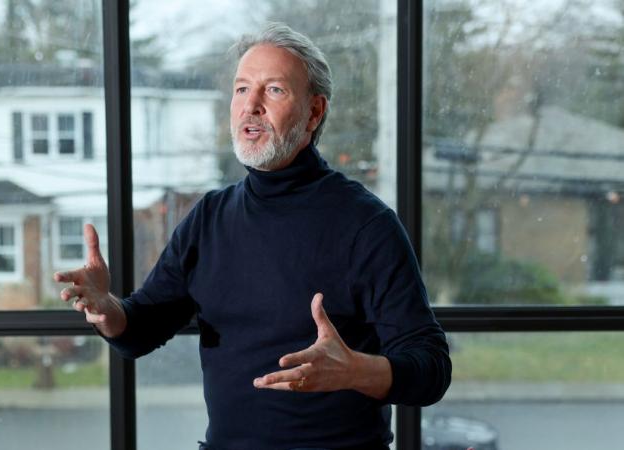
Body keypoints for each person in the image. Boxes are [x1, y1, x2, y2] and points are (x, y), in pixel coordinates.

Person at [55, 22, 451, 450]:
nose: (252, 106)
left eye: (274, 90)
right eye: (242, 89)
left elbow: (430, 367)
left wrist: (357, 370)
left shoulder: (366, 225)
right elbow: (141, 328)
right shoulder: (209, 217)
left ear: (314, 112)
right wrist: (107, 309)